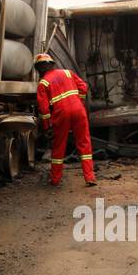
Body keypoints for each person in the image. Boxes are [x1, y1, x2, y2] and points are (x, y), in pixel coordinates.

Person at [33, 53, 96, 187]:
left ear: (38, 69)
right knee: (84, 143)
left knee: (58, 146)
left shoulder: (43, 83)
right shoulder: (68, 73)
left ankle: (55, 179)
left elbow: (44, 110)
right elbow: (84, 87)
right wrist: (79, 101)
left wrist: (47, 127)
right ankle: (90, 177)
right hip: (79, 110)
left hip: (61, 114)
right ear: (52, 64)